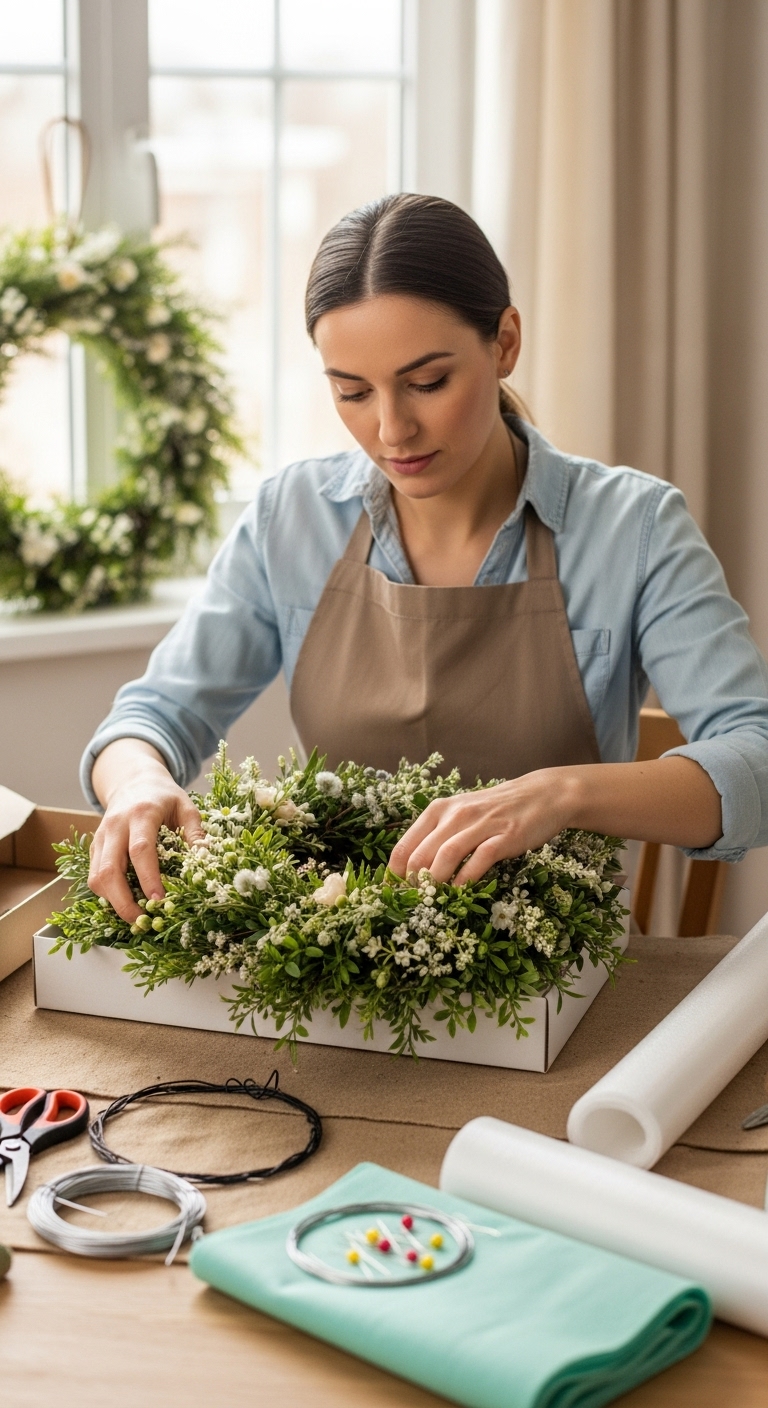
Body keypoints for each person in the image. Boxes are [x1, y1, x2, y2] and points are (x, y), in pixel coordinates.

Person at [83, 193, 768, 923]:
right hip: (334, 971)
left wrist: (559, 795)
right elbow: (153, 715)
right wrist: (133, 782)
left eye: (428, 382)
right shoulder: (293, 517)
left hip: (557, 988)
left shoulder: (634, 528)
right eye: (351, 392)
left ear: (505, 343)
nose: (391, 430)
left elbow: (756, 755)